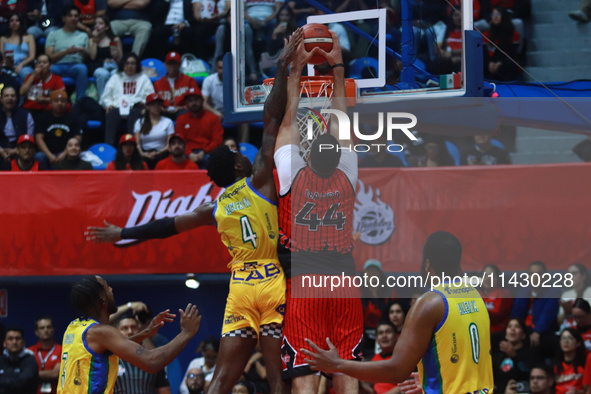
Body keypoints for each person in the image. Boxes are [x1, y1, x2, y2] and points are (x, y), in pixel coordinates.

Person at [85, 29, 304, 394]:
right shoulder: (260, 180)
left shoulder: (213, 208)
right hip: (270, 283)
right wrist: (283, 67)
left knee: (220, 380)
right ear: (237, 169)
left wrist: (121, 233)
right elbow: (271, 121)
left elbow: (165, 226)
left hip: (241, 288)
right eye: (239, 156)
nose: (244, 157)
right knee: (279, 379)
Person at [273, 31, 363, 393]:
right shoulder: (348, 177)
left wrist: (295, 70)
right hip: (343, 284)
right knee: (347, 373)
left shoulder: (293, 176)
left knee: (305, 380)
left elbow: (287, 123)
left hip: (305, 284)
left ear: (309, 154)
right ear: (337, 157)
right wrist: (338, 68)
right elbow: (341, 120)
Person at [302, 231, 493, 393]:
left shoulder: (429, 303)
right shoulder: (475, 295)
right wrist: (430, 376)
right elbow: (466, 355)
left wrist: (338, 365)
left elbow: (396, 370)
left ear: (427, 264)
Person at [56, 275, 201, 393]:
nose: (112, 289)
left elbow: (109, 346)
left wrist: (145, 333)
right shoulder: (101, 332)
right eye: (107, 286)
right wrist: (186, 333)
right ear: (102, 298)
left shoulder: (74, 327)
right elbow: (152, 361)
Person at [100, 52, 154, 146]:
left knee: (135, 113)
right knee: (111, 113)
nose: (130, 66)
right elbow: (105, 96)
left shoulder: (143, 78)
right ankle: (109, 146)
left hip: (136, 108)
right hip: (117, 107)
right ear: (123, 65)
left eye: (133, 63)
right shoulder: (116, 77)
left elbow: (150, 96)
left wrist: (144, 103)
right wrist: (109, 104)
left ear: (137, 65)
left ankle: (132, 145)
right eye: (127, 63)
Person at [511, 261, 561, 355]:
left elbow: (548, 315)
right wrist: (514, 329)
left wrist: (537, 331)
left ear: (545, 276)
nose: (535, 277)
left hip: (544, 333)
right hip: (524, 331)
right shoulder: (523, 291)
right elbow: (516, 313)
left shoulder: (553, 291)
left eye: (539, 274)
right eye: (532, 274)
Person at [113, 315, 172, 394]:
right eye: (124, 328)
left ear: (140, 331)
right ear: (116, 332)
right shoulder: (109, 359)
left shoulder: (152, 359)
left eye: (134, 327)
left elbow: (165, 391)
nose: (130, 331)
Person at [45, 5, 89, 102]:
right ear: (64, 18)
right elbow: (49, 57)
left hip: (76, 65)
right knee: (48, 69)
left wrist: (83, 53)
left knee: (82, 68)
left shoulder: (83, 35)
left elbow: (87, 59)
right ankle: (50, 100)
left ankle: (80, 102)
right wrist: (66, 52)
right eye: (70, 16)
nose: (74, 18)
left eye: (76, 16)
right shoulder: (54, 34)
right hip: (57, 65)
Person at [174, 87, 223, 168]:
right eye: (190, 100)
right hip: (187, 153)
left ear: (202, 101)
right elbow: (180, 140)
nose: (194, 103)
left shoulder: (213, 118)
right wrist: (189, 153)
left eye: (196, 100)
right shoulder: (181, 119)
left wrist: (203, 152)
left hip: (207, 152)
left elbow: (217, 140)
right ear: (186, 102)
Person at [34, 90, 82, 166]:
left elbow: (77, 138)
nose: (59, 103)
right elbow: (39, 138)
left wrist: (65, 153)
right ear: (51, 103)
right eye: (56, 101)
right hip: (47, 153)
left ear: (67, 103)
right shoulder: (42, 117)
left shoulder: (73, 117)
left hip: (66, 152)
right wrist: (49, 155)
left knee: (74, 155)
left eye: (63, 101)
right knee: (38, 157)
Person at [492, 318, 536, 393]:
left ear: (523, 334)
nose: (512, 329)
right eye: (509, 326)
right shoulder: (498, 355)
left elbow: (528, 375)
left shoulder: (530, 353)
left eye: (517, 327)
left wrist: (514, 357)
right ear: (505, 334)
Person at [153, 52, 199, 119]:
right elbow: (154, 101)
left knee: (187, 114)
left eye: (174, 63)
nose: (172, 66)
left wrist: (183, 107)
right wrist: (160, 108)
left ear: (179, 64)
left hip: (183, 110)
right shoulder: (158, 84)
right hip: (164, 111)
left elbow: (197, 100)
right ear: (165, 64)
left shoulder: (189, 81)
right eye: (169, 63)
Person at [134, 93, 174, 169]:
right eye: (153, 104)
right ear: (147, 107)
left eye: (159, 104)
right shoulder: (139, 122)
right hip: (144, 153)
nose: (156, 107)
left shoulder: (168, 122)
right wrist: (143, 154)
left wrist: (157, 153)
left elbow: (169, 145)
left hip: (162, 152)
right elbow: (137, 144)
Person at [21, 54, 66, 120]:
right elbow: (22, 92)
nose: (41, 65)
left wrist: (45, 100)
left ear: (50, 66)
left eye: (44, 63)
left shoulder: (57, 79)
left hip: (47, 111)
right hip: (29, 110)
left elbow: (62, 98)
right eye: (39, 63)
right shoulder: (30, 77)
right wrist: (33, 76)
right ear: (36, 65)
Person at [88, 15, 123, 99]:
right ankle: (102, 99)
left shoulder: (113, 40)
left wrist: (113, 48)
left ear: (107, 27)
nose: (97, 26)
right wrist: (95, 39)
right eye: (95, 24)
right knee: (103, 74)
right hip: (98, 66)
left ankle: (116, 98)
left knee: (115, 73)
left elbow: (120, 57)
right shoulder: (91, 40)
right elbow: (92, 57)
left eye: (100, 23)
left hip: (112, 66)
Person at [361, 320, 400, 394]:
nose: (384, 336)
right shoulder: (372, 359)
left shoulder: (404, 359)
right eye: (380, 333)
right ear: (376, 339)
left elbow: (406, 386)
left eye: (388, 332)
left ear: (397, 336)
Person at [27, 317, 62, 394]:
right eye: (42, 328)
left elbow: (56, 374)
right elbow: (24, 375)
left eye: (48, 327)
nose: (46, 330)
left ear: (53, 330)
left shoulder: (62, 350)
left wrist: (32, 375)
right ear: (36, 332)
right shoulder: (29, 351)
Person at [0, 327, 39, 394]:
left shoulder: (30, 360)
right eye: (10, 339)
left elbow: (21, 383)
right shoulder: (1, 360)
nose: (14, 342)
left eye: (18, 339)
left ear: (23, 342)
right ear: (4, 343)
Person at [0, 85, 34, 159]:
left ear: (16, 98)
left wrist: (17, 150)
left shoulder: (26, 114)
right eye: (6, 96)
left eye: (13, 96)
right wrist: (1, 150)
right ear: (1, 99)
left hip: (21, 149)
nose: (10, 98)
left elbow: (30, 137)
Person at [0, 13, 36, 82]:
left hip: (24, 65)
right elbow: (1, 55)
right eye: (12, 21)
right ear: (9, 24)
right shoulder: (3, 39)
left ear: (20, 23)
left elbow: (32, 56)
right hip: (8, 65)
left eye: (17, 20)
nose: (14, 23)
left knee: (25, 73)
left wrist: (21, 65)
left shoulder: (29, 37)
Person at [479, 263, 514, 334]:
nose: (487, 279)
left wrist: (480, 312)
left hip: (497, 334)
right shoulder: (475, 294)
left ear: (498, 279)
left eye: (491, 276)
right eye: (485, 275)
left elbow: (499, 317)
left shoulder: (504, 294)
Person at [554, 328, 586, 394]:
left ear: (578, 343)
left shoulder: (585, 364)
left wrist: (579, 392)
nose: (566, 341)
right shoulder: (554, 365)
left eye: (570, 338)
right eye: (563, 338)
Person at [201, 55, 224, 120]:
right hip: (214, 112)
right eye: (220, 68)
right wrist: (216, 113)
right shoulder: (209, 80)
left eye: (225, 68)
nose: (223, 71)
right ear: (216, 67)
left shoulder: (234, 79)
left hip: (230, 113)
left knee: (244, 119)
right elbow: (203, 103)